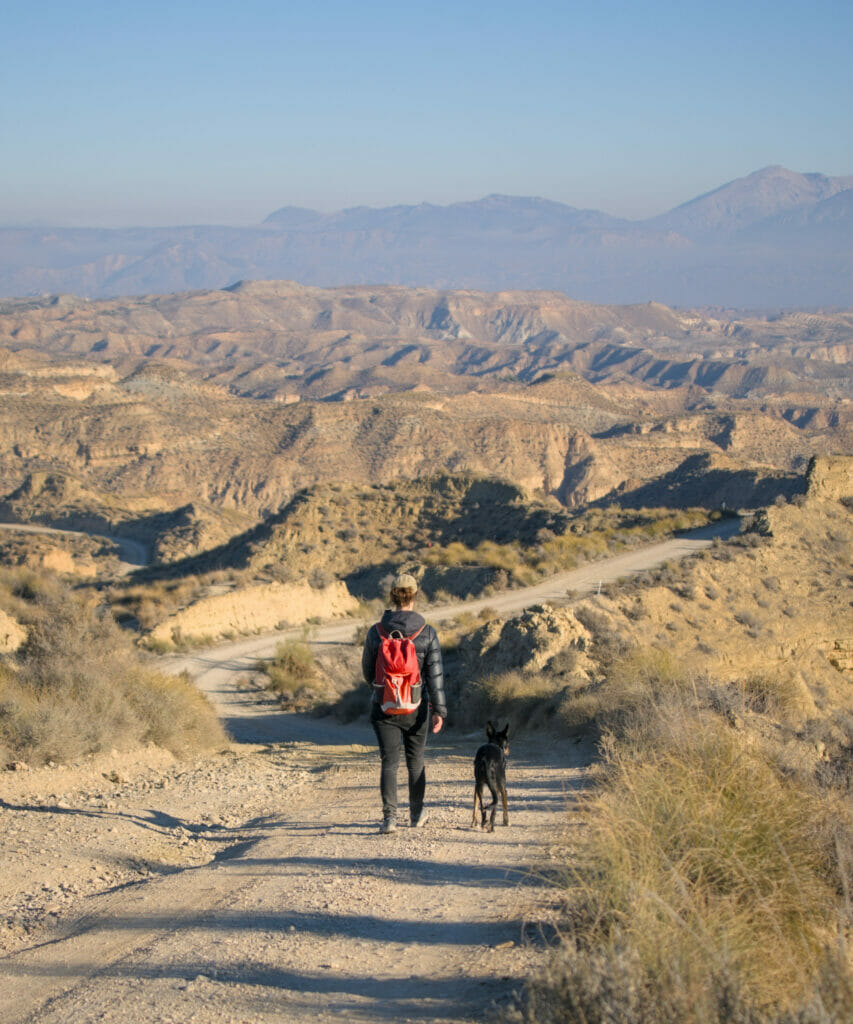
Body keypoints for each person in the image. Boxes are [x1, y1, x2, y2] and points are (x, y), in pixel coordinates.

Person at [362, 572, 447, 833]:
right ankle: (416, 814)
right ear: (415, 595)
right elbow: (435, 676)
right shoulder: (427, 632)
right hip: (416, 706)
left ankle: (389, 819)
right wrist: (439, 710)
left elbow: (367, 671)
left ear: (393, 596)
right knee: (415, 761)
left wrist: (382, 691)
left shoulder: (376, 632)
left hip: (384, 705)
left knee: (389, 762)